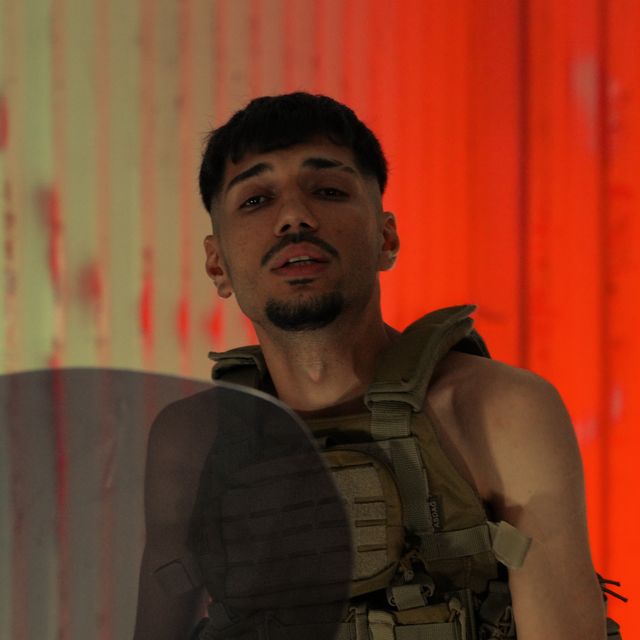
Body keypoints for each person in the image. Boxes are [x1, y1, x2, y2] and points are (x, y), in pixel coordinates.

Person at [134, 93, 613, 639]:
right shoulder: (194, 439)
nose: (294, 217)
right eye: (256, 200)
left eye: (328, 191)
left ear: (386, 239)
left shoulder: (499, 413)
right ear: (217, 264)